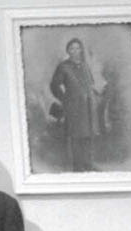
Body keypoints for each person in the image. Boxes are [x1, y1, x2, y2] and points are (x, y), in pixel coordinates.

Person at [50, 38, 98, 172]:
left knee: (88, 135)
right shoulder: (63, 67)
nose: (75, 51)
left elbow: (90, 83)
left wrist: (94, 94)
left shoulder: (84, 65)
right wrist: (64, 99)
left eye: (77, 48)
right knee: (76, 136)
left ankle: (88, 165)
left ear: (81, 49)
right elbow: (54, 85)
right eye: (72, 48)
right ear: (67, 51)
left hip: (87, 106)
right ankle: (78, 167)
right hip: (73, 107)